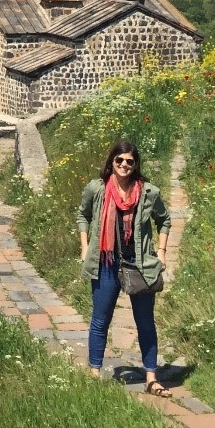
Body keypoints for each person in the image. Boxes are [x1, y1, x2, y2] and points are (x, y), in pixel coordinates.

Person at [76, 141, 172, 396]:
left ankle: (152, 377)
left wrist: (161, 252)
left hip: (138, 264)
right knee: (100, 320)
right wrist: (85, 247)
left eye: (129, 161)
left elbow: (164, 220)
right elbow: (83, 215)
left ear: (136, 164)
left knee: (145, 322)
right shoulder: (97, 189)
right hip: (106, 262)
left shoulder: (149, 192)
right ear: (112, 162)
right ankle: (94, 373)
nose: (124, 165)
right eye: (119, 160)